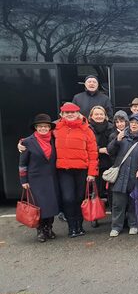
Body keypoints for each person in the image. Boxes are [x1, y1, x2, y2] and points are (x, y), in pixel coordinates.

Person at [55, 103, 99, 238]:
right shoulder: (55, 128)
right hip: (64, 170)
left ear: (78, 113)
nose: (70, 115)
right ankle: (71, 226)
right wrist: (22, 142)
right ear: (61, 115)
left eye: (73, 112)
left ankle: (79, 226)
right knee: (68, 199)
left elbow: (93, 152)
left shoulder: (87, 130)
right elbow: (40, 137)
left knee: (80, 198)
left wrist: (92, 173)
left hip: (82, 170)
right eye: (67, 113)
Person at [107, 113, 138, 237]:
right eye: (132, 122)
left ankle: (134, 224)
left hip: (136, 176)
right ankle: (116, 226)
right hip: (120, 176)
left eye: (137, 123)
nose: (134, 125)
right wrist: (116, 140)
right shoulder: (122, 136)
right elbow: (110, 151)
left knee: (134, 202)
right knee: (118, 204)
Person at [19, 114, 60, 242]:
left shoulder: (54, 139)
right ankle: (41, 230)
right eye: (40, 126)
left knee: (52, 205)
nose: (43, 128)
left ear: (49, 128)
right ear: (36, 127)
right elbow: (22, 164)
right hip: (35, 179)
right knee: (40, 206)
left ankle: (49, 228)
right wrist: (24, 181)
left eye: (46, 126)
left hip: (52, 178)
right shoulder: (27, 142)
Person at [88, 106, 114, 227]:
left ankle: (115, 215)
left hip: (109, 162)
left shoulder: (111, 127)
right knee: (95, 191)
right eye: (96, 114)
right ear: (91, 116)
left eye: (101, 114)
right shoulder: (87, 128)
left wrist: (108, 149)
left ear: (105, 115)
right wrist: (100, 150)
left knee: (111, 191)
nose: (99, 116)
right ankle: (95, 216)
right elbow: (86, 145)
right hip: (94, 163)